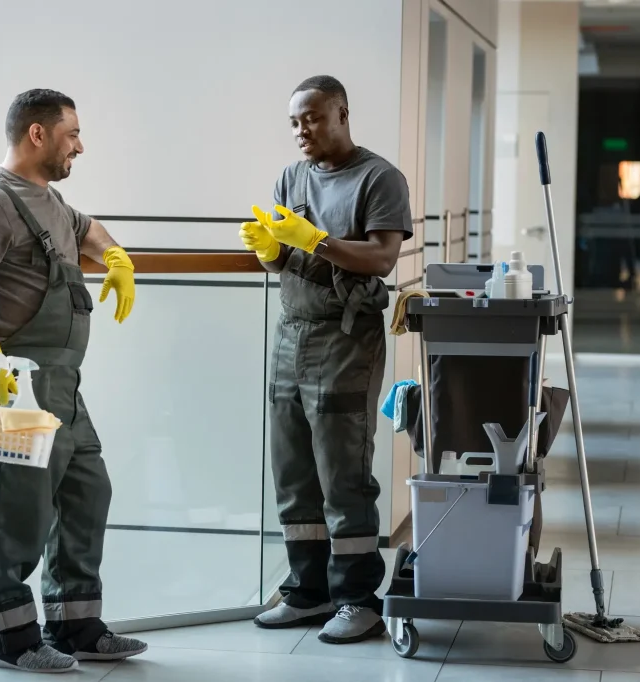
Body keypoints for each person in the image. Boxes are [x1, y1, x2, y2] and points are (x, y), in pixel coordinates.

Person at [0, 88, 147, 673]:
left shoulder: (48, 199)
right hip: (15, 384)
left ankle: (74, 622)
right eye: (71, 133)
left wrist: (118, 257)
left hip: (64, 387)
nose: (80, 144)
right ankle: (6, 638)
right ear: (37, 134)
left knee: (87, 491)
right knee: (14, 510)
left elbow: (88, 228)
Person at [241, 75, 413, 644]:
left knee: (343, 472)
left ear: (341, 112)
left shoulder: (378, 177)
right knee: (293, 470)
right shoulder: (291, 177)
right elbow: (287, 253)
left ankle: (358, 598)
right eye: (294, 122)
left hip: (346, 339)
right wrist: (272, 252)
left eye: (312, 118)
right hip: (291, 333)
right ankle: (307, 592)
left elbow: (383, 258)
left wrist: (315, 240)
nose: (301, 131)